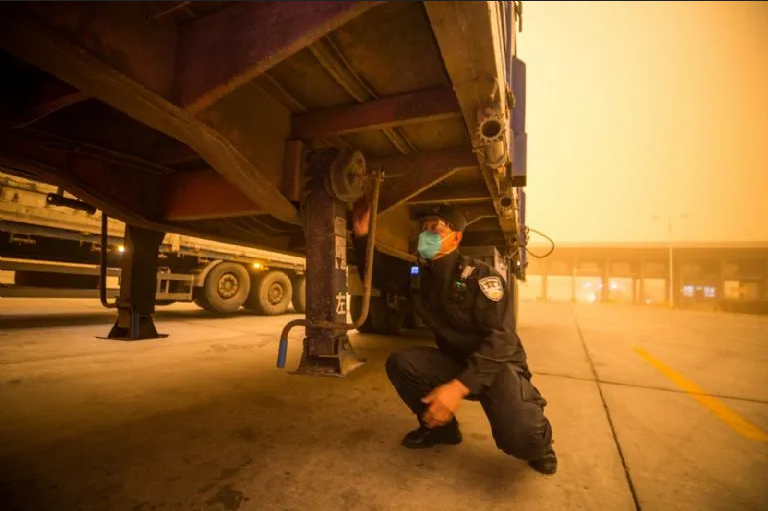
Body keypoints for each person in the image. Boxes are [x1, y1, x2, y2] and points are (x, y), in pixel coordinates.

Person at [350, 197, 557, 475]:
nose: (426, 234)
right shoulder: (420, 276)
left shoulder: (481, 278)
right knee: (401, 364)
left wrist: (458, 387)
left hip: (496, 368)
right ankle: (442, 431)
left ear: (456, 238)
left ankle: (540, 444)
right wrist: (361, 233)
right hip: (455, 362)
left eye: (436, 228)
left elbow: (502, 340)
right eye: (424, 228)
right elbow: (379, 272)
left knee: (522, 439)